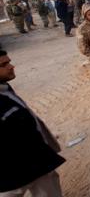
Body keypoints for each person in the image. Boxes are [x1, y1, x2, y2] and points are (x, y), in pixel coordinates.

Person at [0, 49, 65, 196]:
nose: (11, 66)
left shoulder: (4, 87)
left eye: (9, 62)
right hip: (17, 170)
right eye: (4, 64)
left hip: (37, 163)